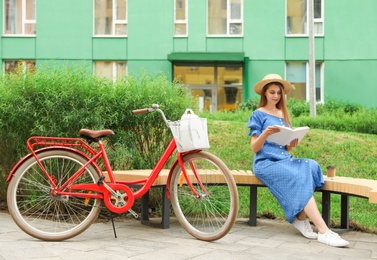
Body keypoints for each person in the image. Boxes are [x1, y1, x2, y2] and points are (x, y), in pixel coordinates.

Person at [247, 74, 349, 247]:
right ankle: (324, 231)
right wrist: (265, 133)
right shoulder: (257, 115)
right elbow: (255, 148)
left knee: (311, 166)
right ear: (264, 93)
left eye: (279, 93)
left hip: (284, 159)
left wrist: (291, 144)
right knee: (296, 179)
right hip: (265, 163)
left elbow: (285, 146)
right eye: (272, 92)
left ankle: (300, 218)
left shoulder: (282, 114)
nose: (276, 96)